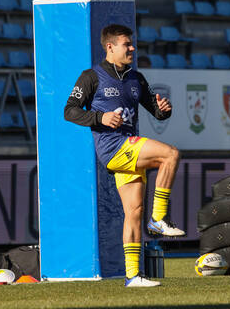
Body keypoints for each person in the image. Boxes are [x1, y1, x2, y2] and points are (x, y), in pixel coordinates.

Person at [64, 24, 185, 287]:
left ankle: (133, 276)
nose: (132, 48)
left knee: (133, 212)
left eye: (132, 44)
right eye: (126, 44)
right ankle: (159, 218)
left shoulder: (135, 78)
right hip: (113, 147)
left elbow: (157, 111)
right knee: (170, 154)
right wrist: (100, 117)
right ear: (110, 47)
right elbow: (70, 111)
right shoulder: (91, 77)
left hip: (128, 148)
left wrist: (164, 109)